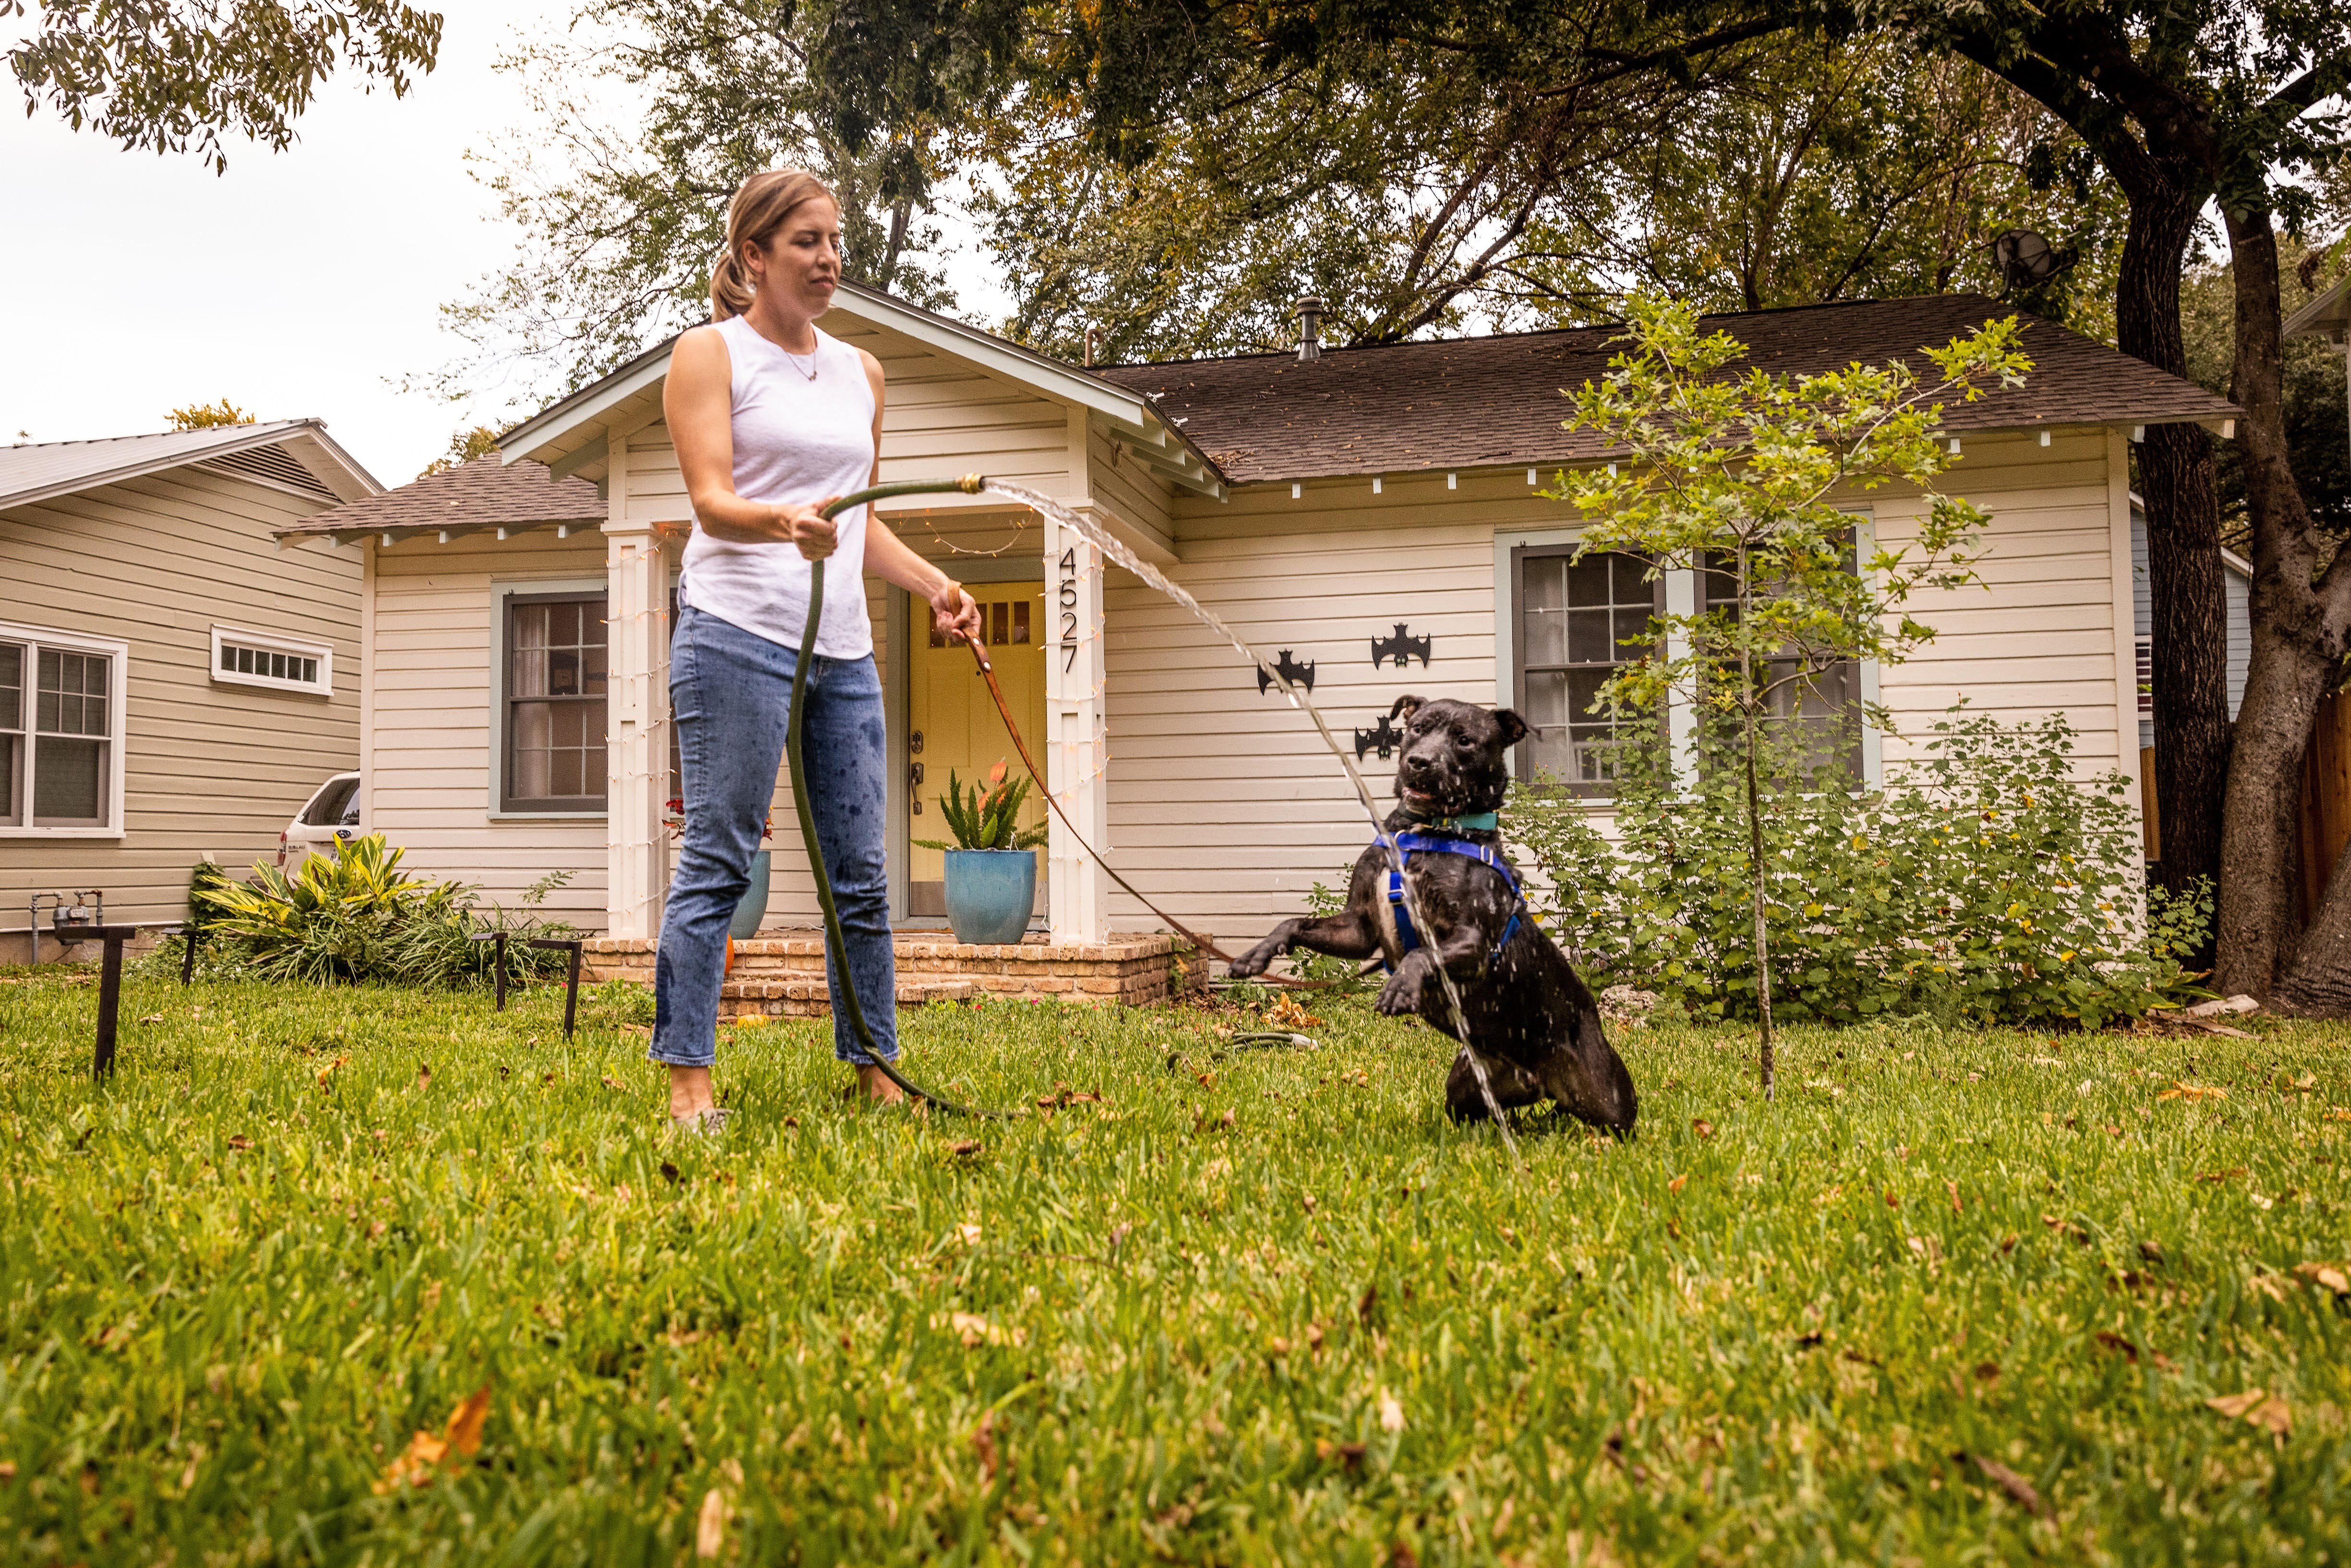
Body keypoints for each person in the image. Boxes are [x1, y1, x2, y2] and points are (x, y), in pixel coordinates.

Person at [654, 168, 980, 1130]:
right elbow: (711, 500)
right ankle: (688, 1083)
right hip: (733, 631)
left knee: (861, 874)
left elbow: (858, 523)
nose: (829, 257)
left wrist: (936, 587)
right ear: (754, 254)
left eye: (834, 240)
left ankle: (875, 1065)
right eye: (805, 240)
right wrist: (776, 521)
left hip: (841, 649)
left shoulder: (860, 372)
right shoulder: (708, 355)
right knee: (718, 857)